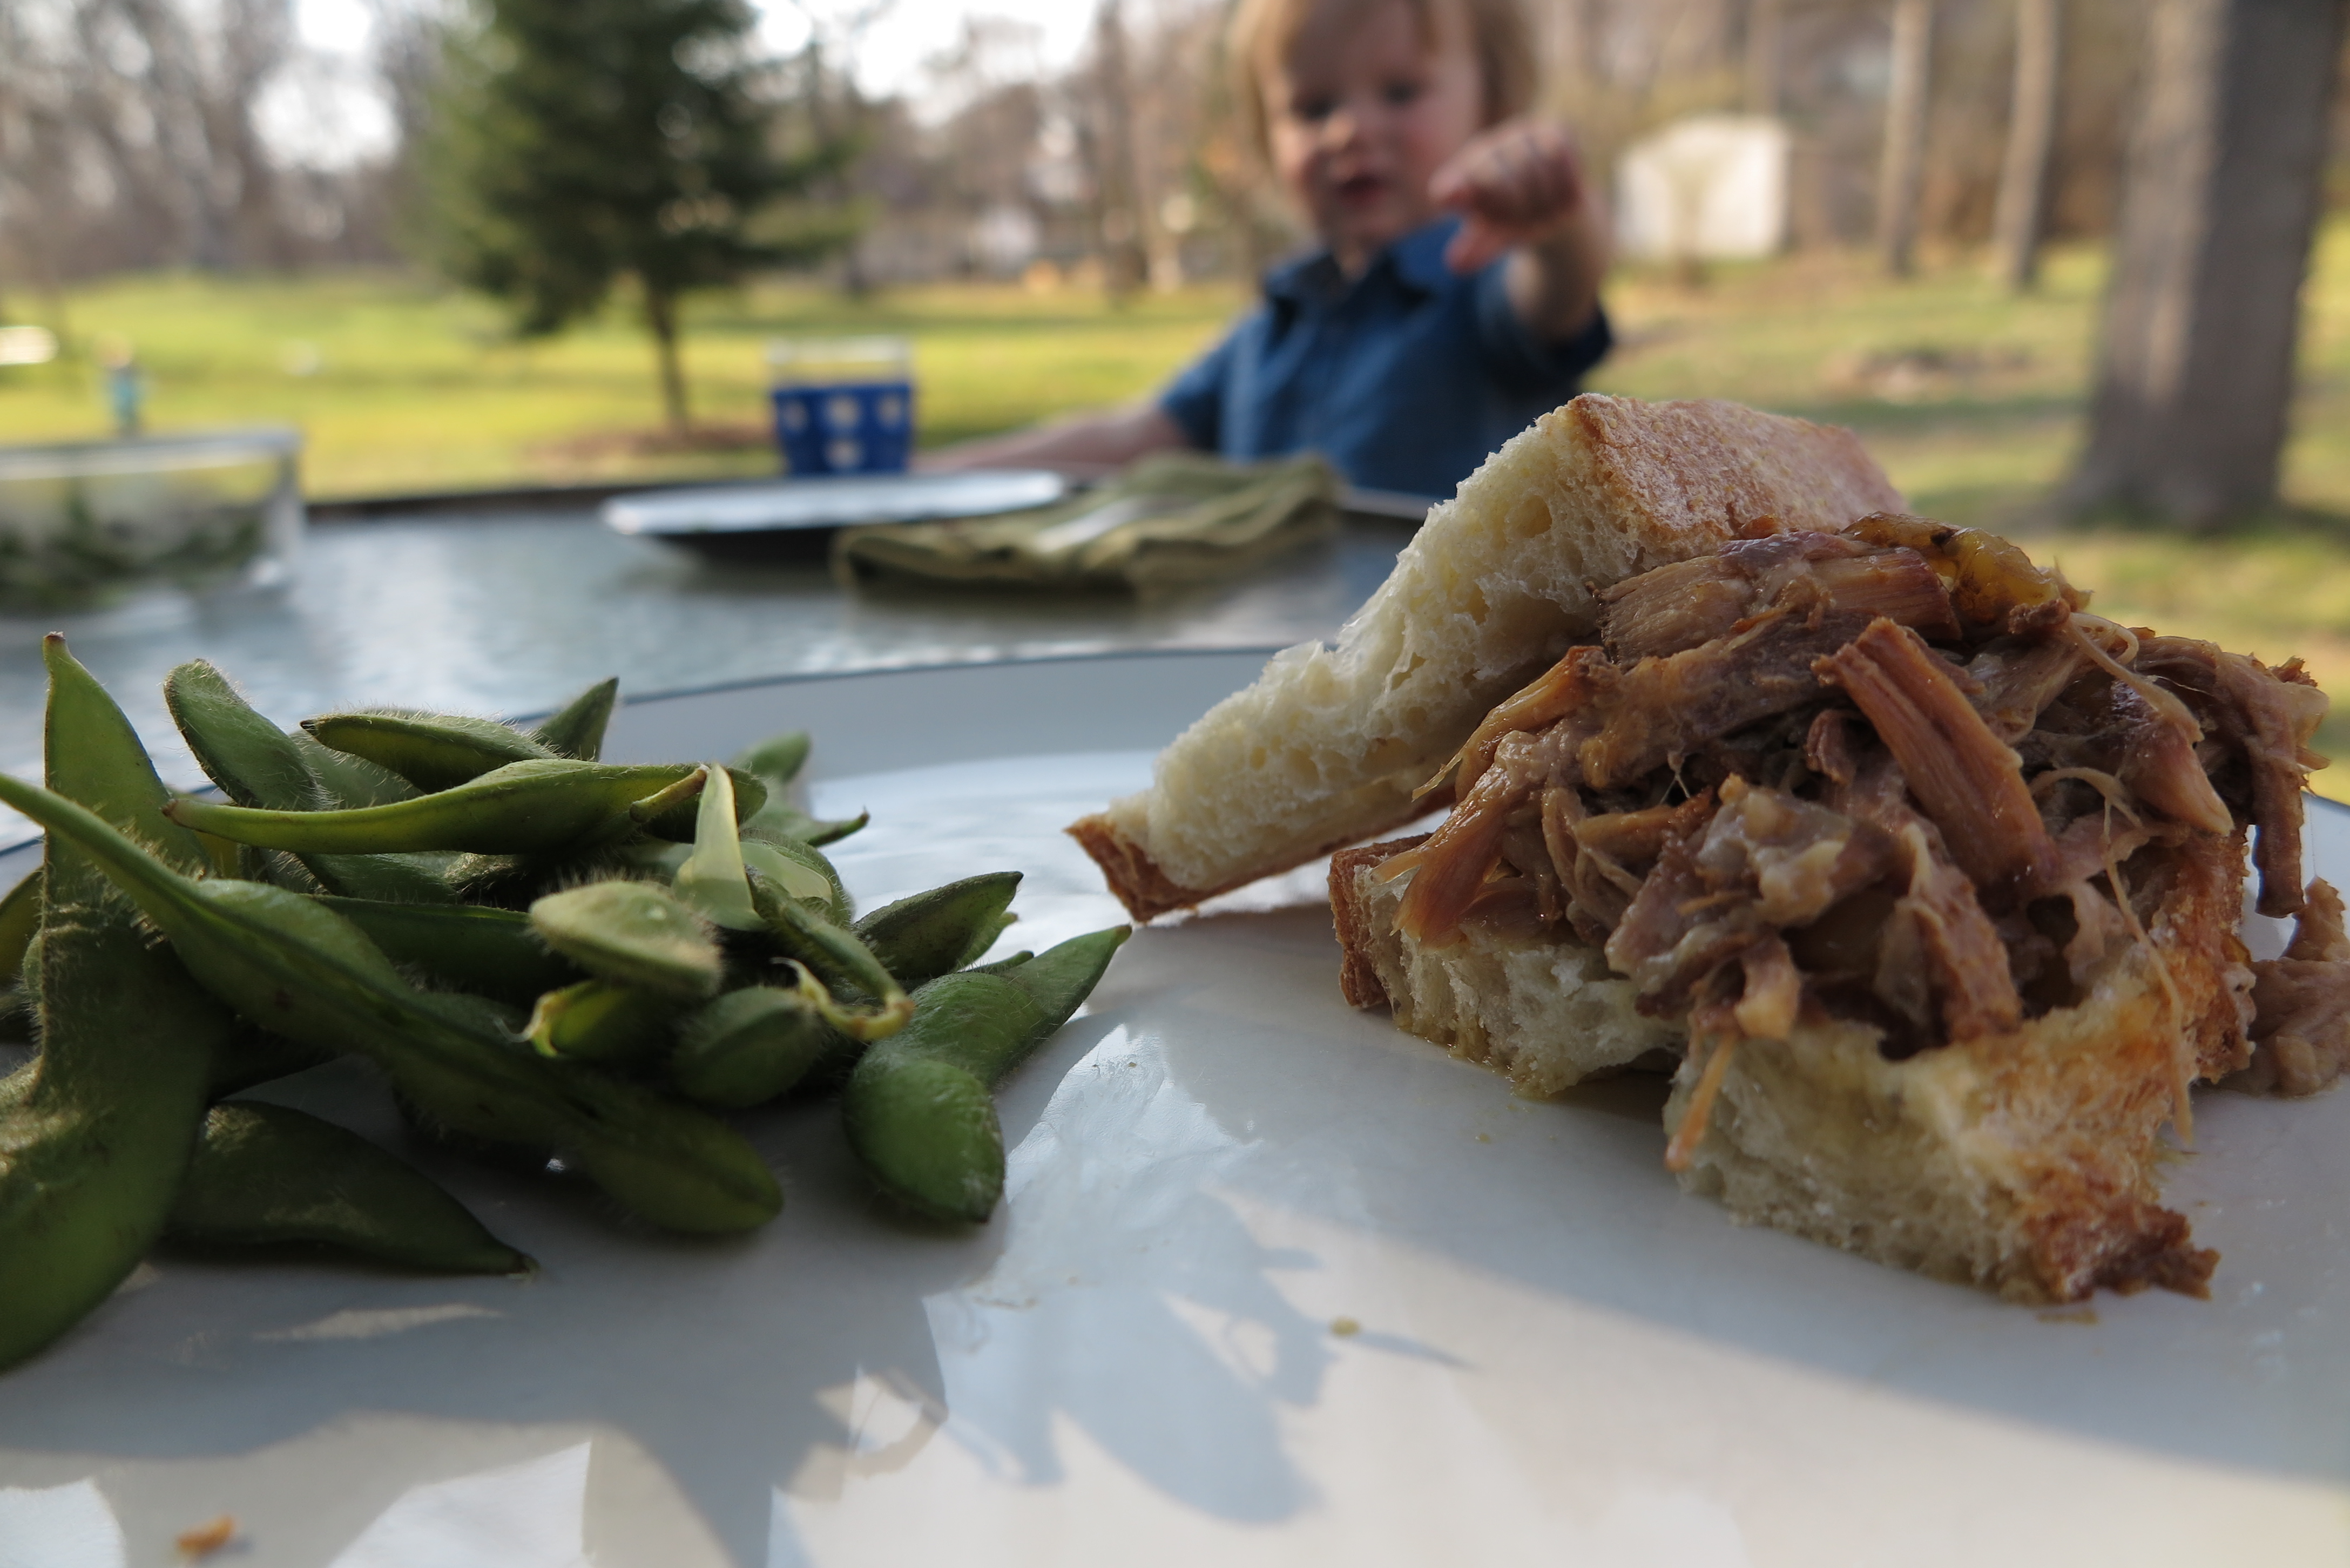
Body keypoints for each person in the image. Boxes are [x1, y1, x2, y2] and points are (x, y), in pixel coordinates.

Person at [932, 0, 1610, 500]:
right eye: (1311, 108)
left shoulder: (1482, 283)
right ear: (1266, 137)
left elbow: (1561, 290)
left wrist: (1553, 217)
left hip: (1445, 679)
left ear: (1489, 104)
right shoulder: (1275, 325)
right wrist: (924, 480)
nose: (1348, 129)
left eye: (1400, 91)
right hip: (1269, 668)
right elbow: (1128, 439)